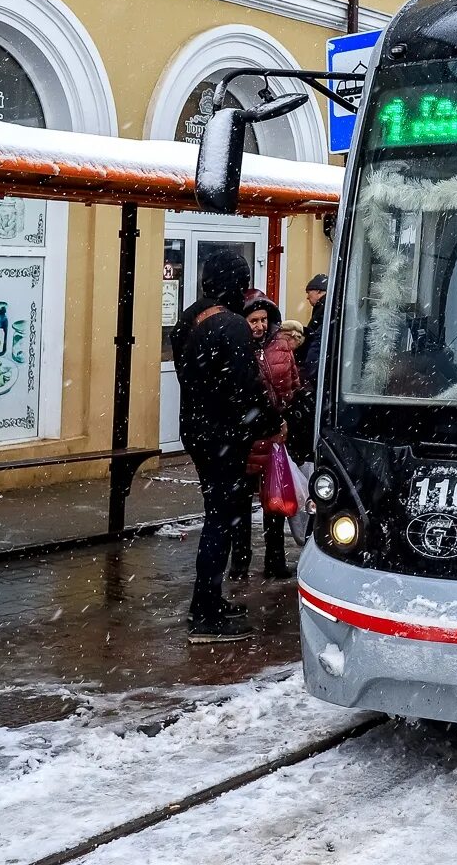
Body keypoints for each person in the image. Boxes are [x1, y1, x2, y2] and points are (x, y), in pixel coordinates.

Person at [172, 251, 276, 642]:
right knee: (221, 520)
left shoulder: (188, 320)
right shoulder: (231, 326)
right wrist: (271, 420)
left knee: (219, 515)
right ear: (236, 282)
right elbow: (246, 389)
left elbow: (195, 379)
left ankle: (211, 601)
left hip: (198, 432)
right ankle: (205, 611)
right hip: (223, 437)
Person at [235, 297, 296, 581]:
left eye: (262, 320)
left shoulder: (280, 345)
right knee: (240, 504)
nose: (259, 326)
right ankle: (240, 562)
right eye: (253, 321)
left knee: (275, 501)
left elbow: (294, 382)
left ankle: (275, 560)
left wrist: (288, 414)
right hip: (248, 437)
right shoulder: (237, 347)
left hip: (274, 435)